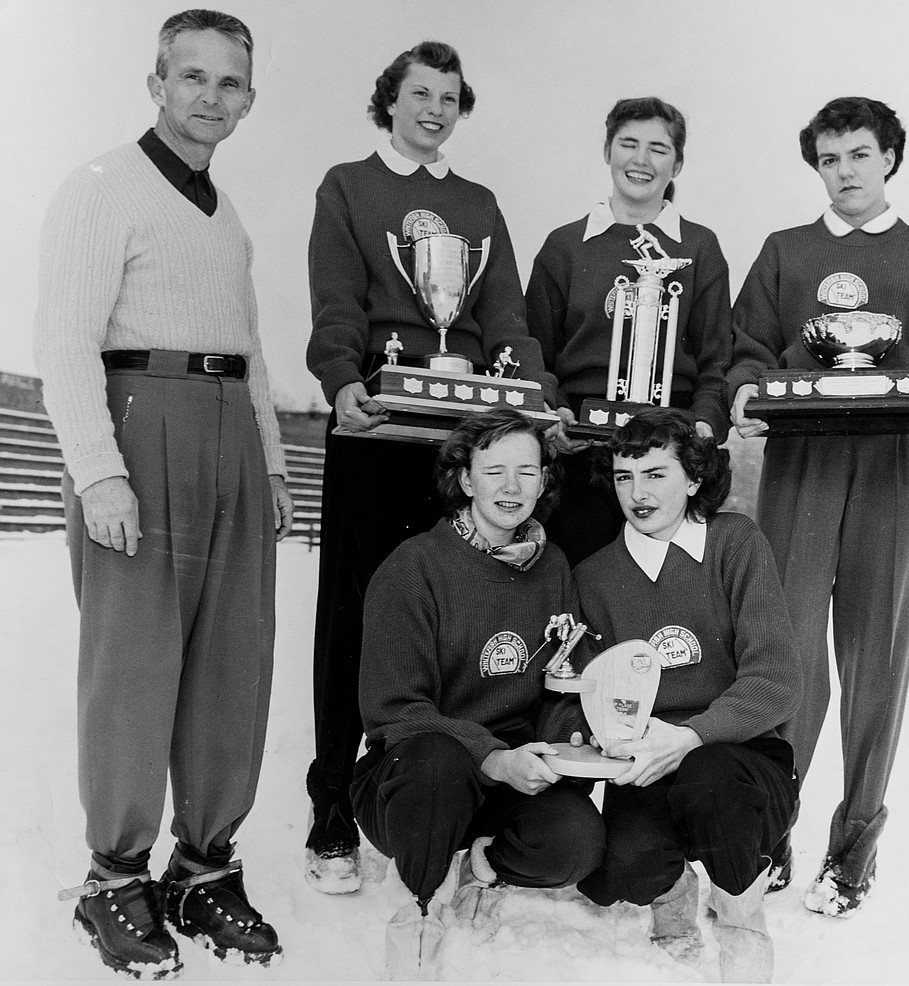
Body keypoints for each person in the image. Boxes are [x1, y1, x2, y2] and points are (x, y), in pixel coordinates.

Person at [33, 9, 293, 977]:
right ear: (157, 82)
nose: (211, 98)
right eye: (193, 78)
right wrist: (99, 470)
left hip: (228, 434)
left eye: (231, 84)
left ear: (250, 99)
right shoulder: (102, 189)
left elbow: (255, 353)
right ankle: (115, 878)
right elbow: (63, 344)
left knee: (234, 664)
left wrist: (268, 461)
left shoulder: (226, 217)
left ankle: (202, 865)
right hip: (139, 424)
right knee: (134, 668)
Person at [728, 96, 909, 916]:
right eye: (828, 159)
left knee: (876, 661)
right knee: (785, 655)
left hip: (897, 465)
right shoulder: (785, 252)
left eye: (858, 154)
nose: (843, 172)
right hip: (802, 459)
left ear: (889, 158)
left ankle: (853, 851)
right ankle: (770, 831)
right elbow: (744, 351)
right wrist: (743, 391)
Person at [303, 41, 557, 893]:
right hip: (378, 430)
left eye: (449, 96)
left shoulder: (478, 204)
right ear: (391, 101)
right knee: (352, 618)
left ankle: (449, 801)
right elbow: (336, 304)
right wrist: (342, 382)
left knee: (465, 618)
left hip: (462, 443)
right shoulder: (347, 185)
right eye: (419, 93)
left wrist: (532, 391)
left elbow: (507, 316)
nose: (435, 109)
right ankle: (334, 812)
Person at [351, 408, 605, 980]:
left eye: (527, 471)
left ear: (544, 480)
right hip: (415, 775)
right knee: (438, 765)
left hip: (509, 771)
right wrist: (490, 755)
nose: (511, 488)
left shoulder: (554, 566)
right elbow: (396, 710)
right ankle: (421, 914)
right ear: (465, 480)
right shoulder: (414, 567)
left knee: (576, 843)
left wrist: (553, 751)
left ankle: (481, 866)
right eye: (494, 471)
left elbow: (562, 679)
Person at [572, 408, 801, 982]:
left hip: (737, 755)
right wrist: (606, 738)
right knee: (625, 866)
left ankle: (743, 921)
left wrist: (692, 734)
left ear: (694, 479)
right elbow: (591, 687)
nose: (637, 493)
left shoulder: (735, 542)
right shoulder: (596, 576)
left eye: (655, 474)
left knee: (711, 783)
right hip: (647, 758)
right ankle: (673, 896)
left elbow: (774, 680)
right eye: (625, 477)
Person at [526, 97, 732, 566]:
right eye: (629, 144)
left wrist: (702, 425)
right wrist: (550, 411)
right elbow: (535, 350)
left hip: (668, 448)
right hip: (578, 446)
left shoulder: (699, 248)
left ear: (677, 162)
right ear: (607, 151)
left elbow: (716, 360)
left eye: (658, 149)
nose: (641, 160)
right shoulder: (563, 247)